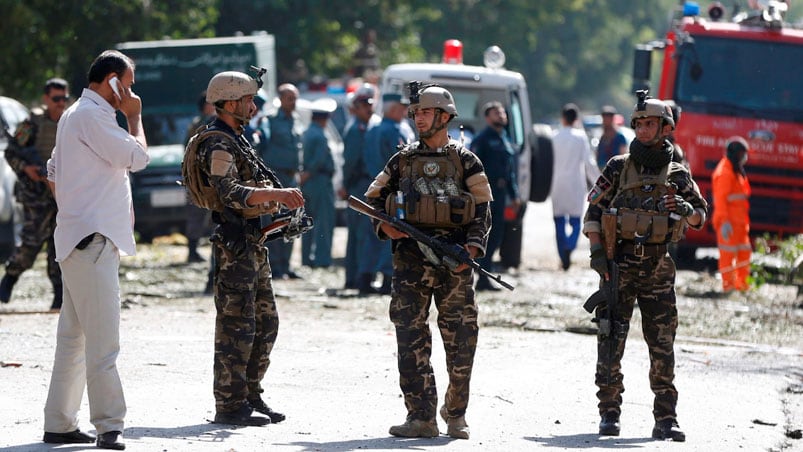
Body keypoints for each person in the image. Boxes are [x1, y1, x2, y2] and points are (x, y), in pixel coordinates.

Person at [365, 83, 492, 440]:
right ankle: (420, 415)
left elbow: (482, 209)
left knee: (461, 338)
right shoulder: (402, 160)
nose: (418, 119)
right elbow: (373, 198)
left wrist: (472, 250)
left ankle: (455, 413)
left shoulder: (466, 161)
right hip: (410, 263)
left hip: (455, 262)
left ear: (445, 117)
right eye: (416, 113)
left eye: (425, 112)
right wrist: (384, 226)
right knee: (410, 335)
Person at [583, 92, 708, 442]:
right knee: (610, 341)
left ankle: (665, 418)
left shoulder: (678, 174)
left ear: (665, 128)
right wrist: (598, 255)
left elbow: (701, 217)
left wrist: (683, 207)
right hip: (618, 266)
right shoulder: (617, 168)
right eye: (638, 123)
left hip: (657, 269)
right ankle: (609, 413)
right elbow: (593, 212)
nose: (642, 129)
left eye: (649, 123)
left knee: (662, 345)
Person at [43, 50, 149, 450]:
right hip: (92, 241)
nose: (132, 92)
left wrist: (74, 207)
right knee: (103, 343)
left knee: (74, 339)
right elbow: (138, 158)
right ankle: (109, 425)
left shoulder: (75, 114)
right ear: (113, 81)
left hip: (77, 238)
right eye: (130, 84)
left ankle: (59, 422)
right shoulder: (94, 116)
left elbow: (53, 170)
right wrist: (135, 117)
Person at [188, 70, 305, 426]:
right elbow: (228, 192)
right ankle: (229, 404)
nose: (253, 106)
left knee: (266, 324)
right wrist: (278, 195)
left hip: (253, 243)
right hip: (234, 245)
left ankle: (250, 395)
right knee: (236, 327)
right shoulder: (218, 142)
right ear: (231, 101)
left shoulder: (237, 138)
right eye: (249, 100)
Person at [0, 78, 69, 310]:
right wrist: (27, 169)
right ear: (46, 99)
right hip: (37, 194)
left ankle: (59, 296)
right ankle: (9, 279)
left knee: (59, 246)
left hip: (63, 193)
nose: (61, 103)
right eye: (56, 99)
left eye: (64, 98)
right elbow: (11, 152)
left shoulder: (72, 121)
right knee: (31, 241)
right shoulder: (32, 123)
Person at [361, 92, 415, 294]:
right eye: (402, 107)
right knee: (390, 233)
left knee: (374, 234)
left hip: (377, 188)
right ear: (393, 109)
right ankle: (384, 278)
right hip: (391, 190)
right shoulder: (391, 129)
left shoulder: (376, 128)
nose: (405, 111)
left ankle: (366, 277)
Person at [470, 101, 519, 290]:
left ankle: (485, 273)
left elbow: (510, 171)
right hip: (485, 195)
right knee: (485, 235)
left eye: (502, 112)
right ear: (487, 117)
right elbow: (473, 169)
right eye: (496, 112)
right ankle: (481, 276)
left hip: (500, 193)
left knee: (497, 234)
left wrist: (514, 195)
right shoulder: (482, 139)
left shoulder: (504, 138)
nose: (501, 115)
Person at [341, 84, 381, 290]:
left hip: (369, 183)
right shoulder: (355, 129)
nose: (368, 107)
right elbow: (350, 161)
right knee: (359, 234)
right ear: (355, 106)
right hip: (359, 184)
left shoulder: (372, 125)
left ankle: (360, 276)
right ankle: (355, 278)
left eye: (370, 103)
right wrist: (346, 185)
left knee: (367, 233)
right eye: (363, 104)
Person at [552, 103, 599, 270]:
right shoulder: (580, 137)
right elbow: (589, 163)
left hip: (556, 183)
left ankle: (562, 255)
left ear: (563, 118)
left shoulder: (554, 136)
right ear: (576, 119)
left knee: (558, 221)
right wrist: (599, 183)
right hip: (575, 184)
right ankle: (569, 248)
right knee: (575, 221)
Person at [264, 83, 303, 280]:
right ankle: (276, 266)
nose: (293, 102)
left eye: (295, 98)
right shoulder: (270, 121)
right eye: (290, 98)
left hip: (292, 177)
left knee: (292, 220)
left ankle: (287, 265)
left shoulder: (295, 120)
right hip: (276, 177)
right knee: (275, 221)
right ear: (280, 99)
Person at [299, 98, 336, 267]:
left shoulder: (307, 132)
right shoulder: (320, 135)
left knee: (307, 221)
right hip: (319, 181)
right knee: (324, 222)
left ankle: (306, 258)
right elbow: (319, 160)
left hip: (309, 183)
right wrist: (308, 174)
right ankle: (322, 260)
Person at [712, 136, 751, 292]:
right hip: (728, 223)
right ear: (736, 154)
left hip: (741, 223)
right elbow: (720, 201)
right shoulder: (724, 173)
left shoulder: (736, 170)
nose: (745, 158)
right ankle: (728, 288)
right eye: (743, 154)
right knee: (728, 257)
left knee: (744, 256)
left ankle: (742, 287)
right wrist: (724, 222)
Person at [184, 91, 216, 264]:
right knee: (196, 215)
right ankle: (192, 250)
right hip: (199, 178)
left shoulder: (209, 123)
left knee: (212, 217)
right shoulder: (200, 125)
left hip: (210, 178)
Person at [595, 105, 628, 170]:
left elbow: (623, 155)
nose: (605, 122)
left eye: (607, 118)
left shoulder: (620, 137)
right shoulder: (602, 137)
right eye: (604, 119)